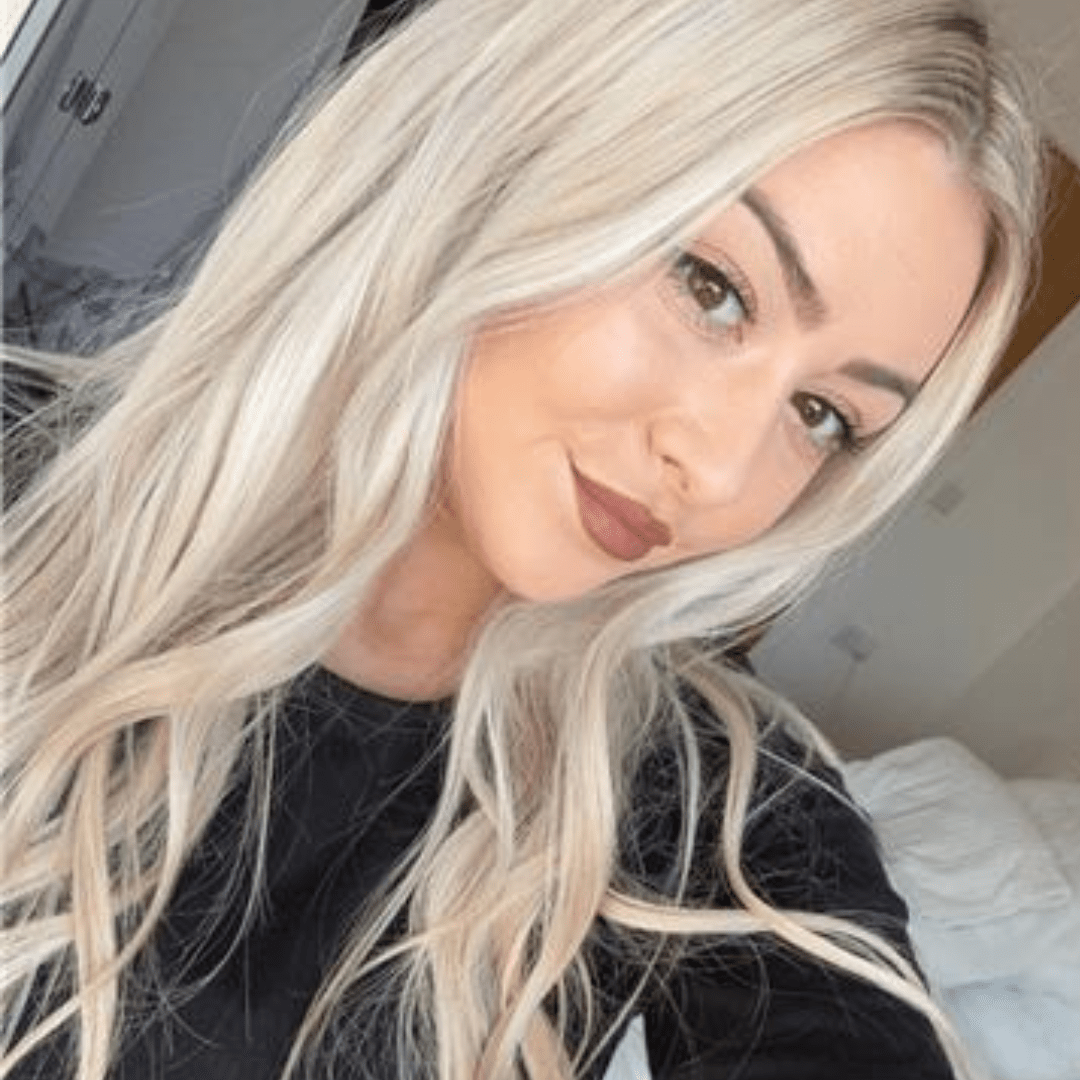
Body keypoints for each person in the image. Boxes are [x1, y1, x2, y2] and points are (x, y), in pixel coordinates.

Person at [0, 0, 1043, 1078]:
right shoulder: (24, 480)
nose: (723, 472)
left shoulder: (719, 805)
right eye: (713, 289)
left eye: (821, 417)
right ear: (511, 154)